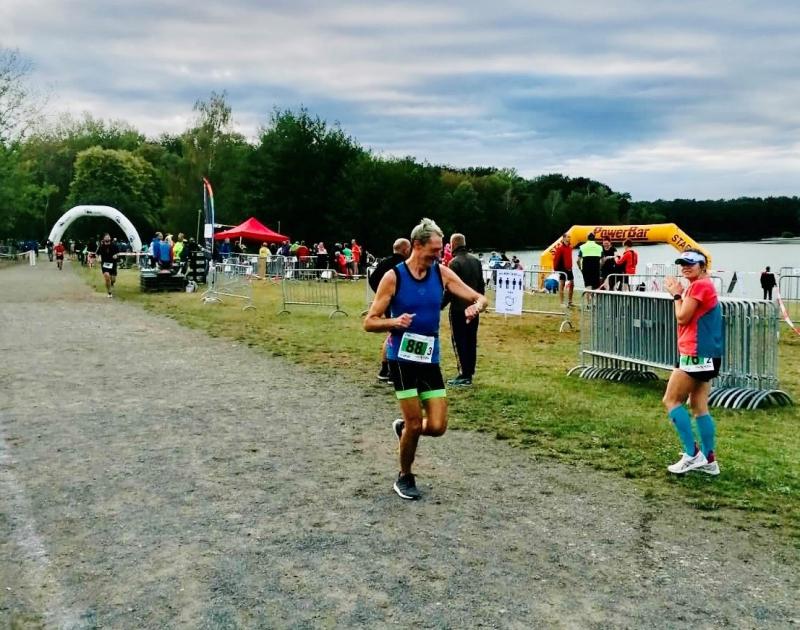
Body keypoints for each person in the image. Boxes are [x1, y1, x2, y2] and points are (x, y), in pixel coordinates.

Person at [364, 218, 488, 500]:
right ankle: (404, 476)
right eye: (434, 250)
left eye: (441, 249)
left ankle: (404, 429)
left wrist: (476, 307)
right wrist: (394, 322)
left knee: (437, 426)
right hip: (401, 358)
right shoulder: (394, 277)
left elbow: (478, 297)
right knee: (415, 423)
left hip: (429, 359)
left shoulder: (441, 273)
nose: (438, 254)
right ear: (417, 246)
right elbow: (369, 322)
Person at [662, 249, 723, 476]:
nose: (685, 267)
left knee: (671, 400)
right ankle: (709, 459)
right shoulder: (704, 285)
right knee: (699, 406)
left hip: (696, 352)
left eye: (691, 263)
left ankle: (692, 454)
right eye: (682, 263)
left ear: (703, 266)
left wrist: (676, 295)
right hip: (708, 353)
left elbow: (682, 317)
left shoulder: (699, 286)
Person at [442, 233, 485, 386]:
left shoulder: (454, 263)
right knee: (471, 340)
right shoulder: (476, 261)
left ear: (453, 245)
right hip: (473, 308)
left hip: (458, 309)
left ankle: (463, 374)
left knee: (459, 341)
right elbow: (481, 285)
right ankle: (469, 371)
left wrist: (441, 304)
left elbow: (450, 288)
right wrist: (479, 303)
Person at [369, 238, 412, 381]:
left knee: (392, 334)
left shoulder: (384, 263)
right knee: (397, 335)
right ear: (406, 249)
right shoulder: (405, 265)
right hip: (401, 305)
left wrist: (382, 295)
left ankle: (385, 368)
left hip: (388, 304)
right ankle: (394, 370)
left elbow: (372, 279)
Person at [552, 233, 574, 306]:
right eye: (568, 237)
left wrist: (570, 266)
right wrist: (555, 269)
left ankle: (570, 301)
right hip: (562, 268)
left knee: (572, 284)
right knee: (562, 284)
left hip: (569, 269)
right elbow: (556, 259)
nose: (569, 238)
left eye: (569, 237)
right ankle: (562, 302)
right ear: (564, 238)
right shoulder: (560, 248)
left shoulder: (570, 247)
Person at [95, 233, 118, 297]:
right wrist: (98, 258)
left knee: (113, 279)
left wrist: (116, 255)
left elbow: (118, 253)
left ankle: (112, 283)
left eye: (108, 237)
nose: (107, 238)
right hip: (105, 264)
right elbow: (97, 254)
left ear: (110, 238)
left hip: (113, 264)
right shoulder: (101, 246)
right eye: (106, 237)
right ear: (103, 239)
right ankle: (109, 292)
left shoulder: (114, 245)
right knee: (107, 277)